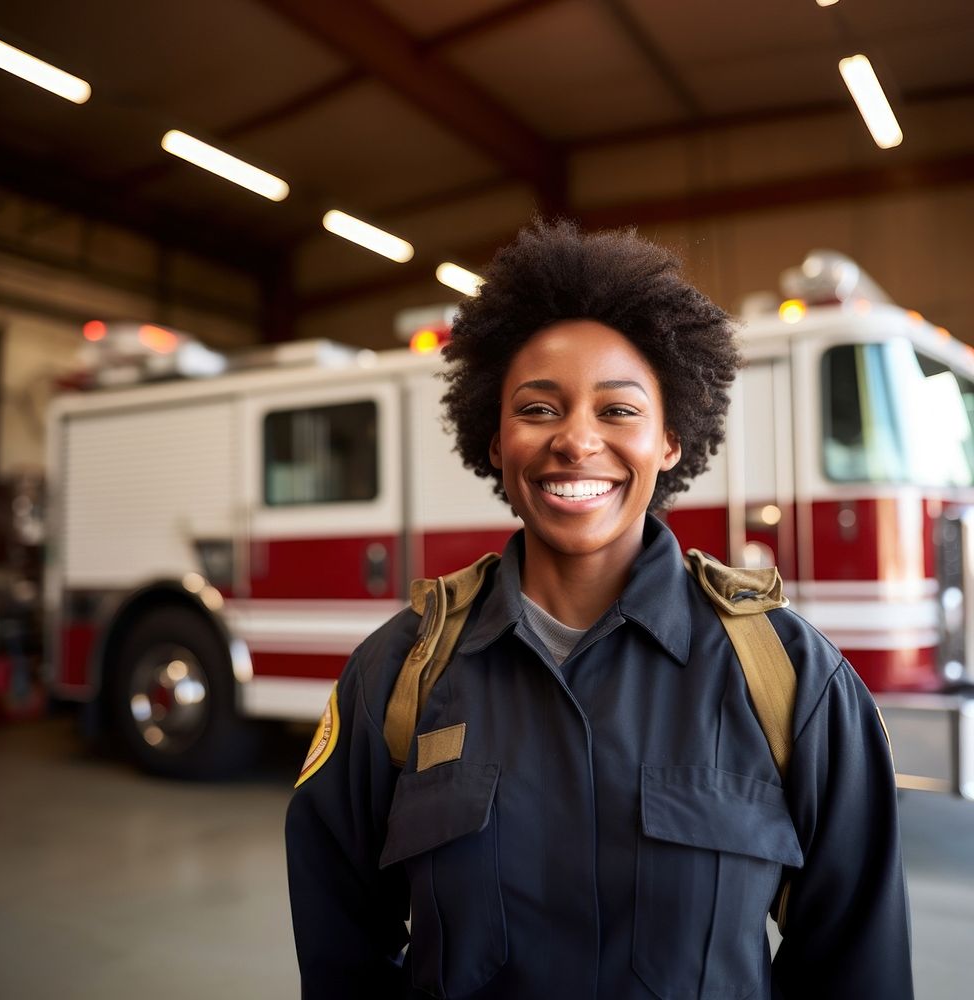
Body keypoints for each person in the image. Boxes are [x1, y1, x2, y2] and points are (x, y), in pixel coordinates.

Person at [285, 220, 913, 999]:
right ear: (494, 440)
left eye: (618, 411)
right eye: (539, 409)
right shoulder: (395, 674)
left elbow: (858, 967)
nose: (576, 441)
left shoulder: (792, 680)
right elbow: (342, 955)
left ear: (672, 439)